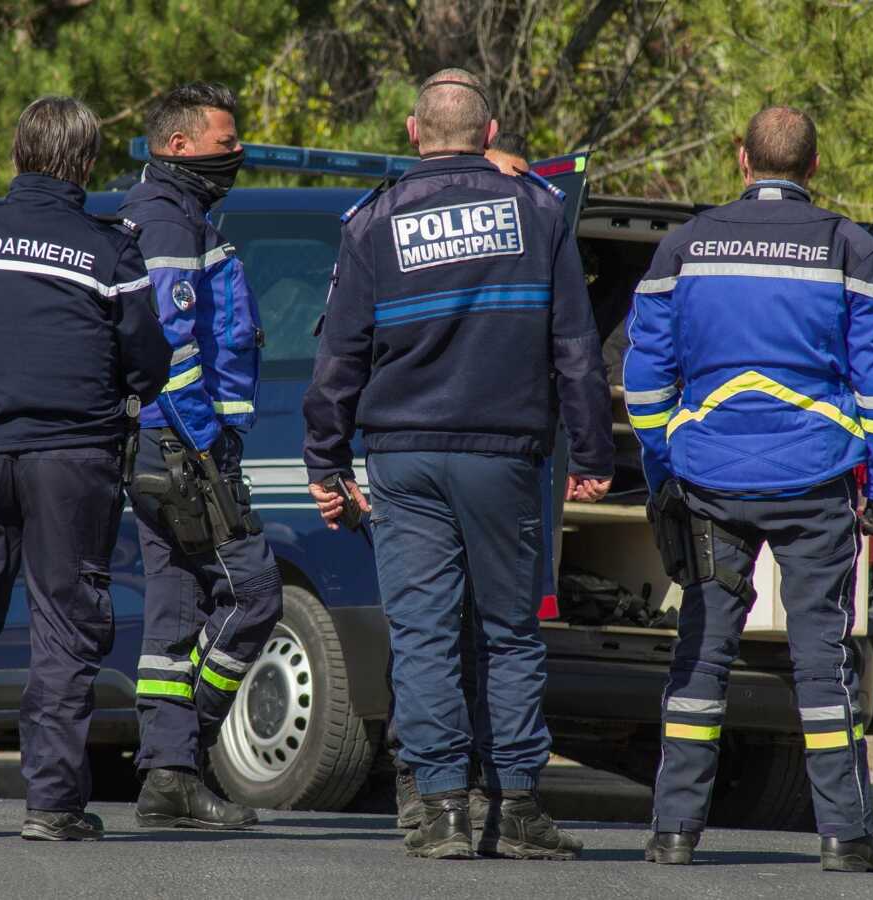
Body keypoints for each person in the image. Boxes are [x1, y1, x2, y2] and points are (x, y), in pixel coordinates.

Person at [304, 69, 614, 860]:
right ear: (490, 132)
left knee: (424, 632)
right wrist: (592, 449)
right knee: (509, 632)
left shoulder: (373, 220)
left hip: (403, 456)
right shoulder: (538, 210)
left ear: (413, 134)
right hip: (502, 454)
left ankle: (440, 809)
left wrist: (325, 459)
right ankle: (514, 806)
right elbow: (574, 346)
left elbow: (338, 355)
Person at [626, 105, 873, 873]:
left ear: (741, 162)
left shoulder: (684, 247)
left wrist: (662, 472)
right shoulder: (851, 249)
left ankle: (673, 833)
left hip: (708, 481)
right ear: (813, 168)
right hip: (815, 481)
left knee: (702, 652)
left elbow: (645, 382)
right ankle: (846, 837)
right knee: (822, 656)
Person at [0, 96, 172, 841]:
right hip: (73, 460)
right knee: (64, 626)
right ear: (84, 163)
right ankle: (51, 804)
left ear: (19, 151)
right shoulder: (110, 251)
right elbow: (149, 361)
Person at [117, 82, 282, 830]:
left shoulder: (179, 212)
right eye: (226, 141)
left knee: (175, 606)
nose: (237, 152)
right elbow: (171, 351)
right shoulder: (166, 221)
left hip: (169, 439)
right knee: (254, 594)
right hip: (184, 442)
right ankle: (186, 742)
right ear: (177, 145)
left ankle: (168, 777)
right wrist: (206, 447)